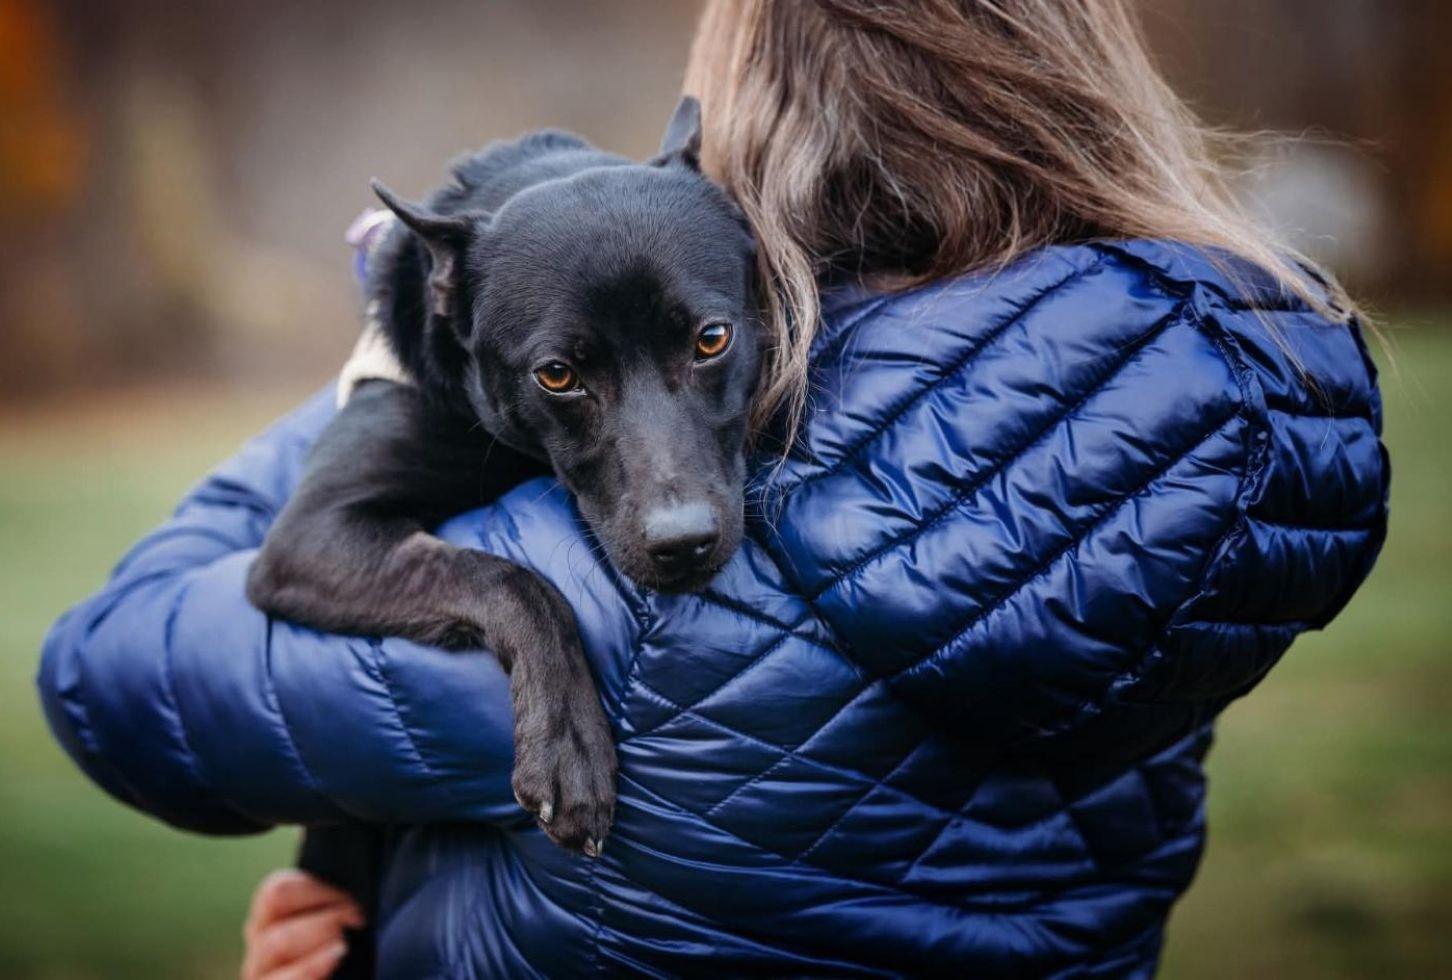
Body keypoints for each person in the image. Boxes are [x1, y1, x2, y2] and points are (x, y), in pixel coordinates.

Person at [39, 1, 1389, 977]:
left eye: (703, 351)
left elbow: (115, 679)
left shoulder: (626, 594)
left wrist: (372, 378)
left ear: (753, 129)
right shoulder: (1204, 430)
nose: (683, 505)